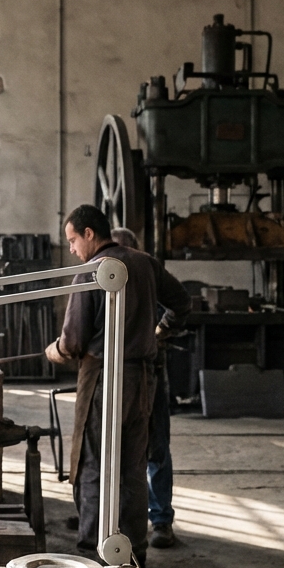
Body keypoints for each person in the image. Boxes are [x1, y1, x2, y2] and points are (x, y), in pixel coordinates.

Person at [46, 206, 190, 568]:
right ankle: (134, 551)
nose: (73, 249)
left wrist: (55, 351)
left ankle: (92, 557)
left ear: (90, 233)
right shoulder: (146, 263)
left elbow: (74, 341)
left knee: (93, 464)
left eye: (73, 240)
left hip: (102, 379)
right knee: (131, 465)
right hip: (143, 380)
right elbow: (182, 303)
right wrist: (160, 331)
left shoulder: (91, 273)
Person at [110, 226, 177, 550]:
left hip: (150, 370)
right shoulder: (102, 275)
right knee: (114, 450)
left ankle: (161, 520)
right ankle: (113, 517)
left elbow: (179, 303)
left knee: (156, 447)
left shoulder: (148, 270)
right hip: (111, 374)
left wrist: (159, 332)